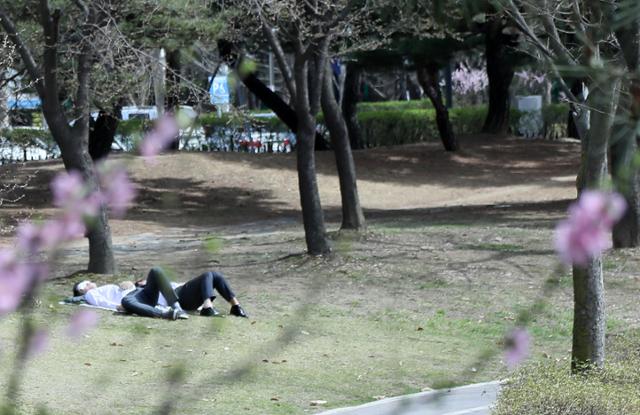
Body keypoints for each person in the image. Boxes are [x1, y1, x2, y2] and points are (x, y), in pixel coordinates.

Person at [68, 267, 248, 319]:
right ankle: (207, 307)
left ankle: (235, 306)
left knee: (213, 274)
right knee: (209, 275)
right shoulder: (91, 294)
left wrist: (136, 284)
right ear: (81, 290)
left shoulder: (109, 287)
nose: (89, 283)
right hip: (159, 298)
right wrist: (116, 305)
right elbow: (99, 302)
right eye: (85, 284)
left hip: (176, 290)